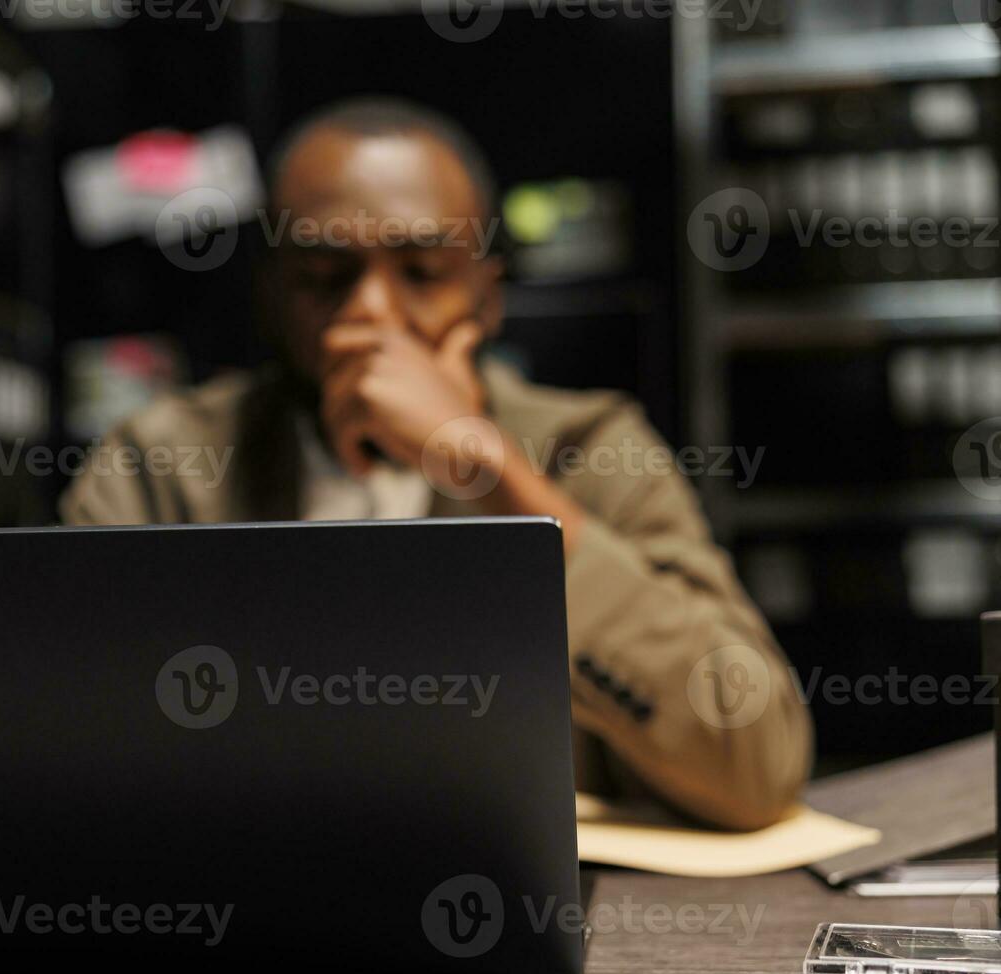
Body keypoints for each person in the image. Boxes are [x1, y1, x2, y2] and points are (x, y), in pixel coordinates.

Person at [61, 97, 811, 831]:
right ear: (272, 293)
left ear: (486, 297)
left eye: (422, 272)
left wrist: (492, 473)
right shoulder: (159, 464)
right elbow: (59, 771)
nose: (373, 315)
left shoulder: (588, 448)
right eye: (326, 276)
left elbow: (755, 769)